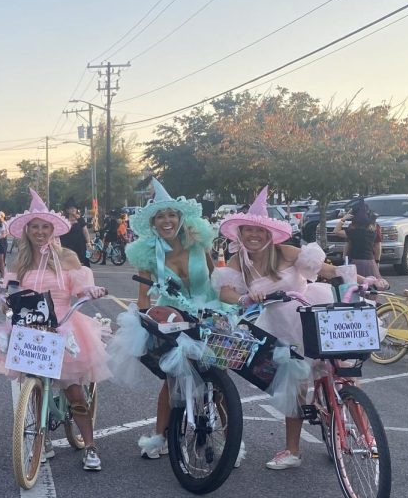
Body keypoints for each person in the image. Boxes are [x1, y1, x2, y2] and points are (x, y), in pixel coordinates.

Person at [214, 187, 383, 470]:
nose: (254, 236)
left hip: (310, 311)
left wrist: (370, 280)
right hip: (279, 326)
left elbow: (329, 271)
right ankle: (292, 450)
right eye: (248, 231)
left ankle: (367, 435)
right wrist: (244, 297)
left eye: (259, 231)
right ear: (240, 234)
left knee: (344, 373)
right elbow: (225, 292)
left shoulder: (287, 252)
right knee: (294, 385)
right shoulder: (238, 262)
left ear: (269, 234)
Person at [107, 179, 222, 459]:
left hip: (209, 312)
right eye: (161, 216)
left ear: (181, 218)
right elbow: (144, 296)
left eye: (172, 214)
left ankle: (230, 441)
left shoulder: (199, 244)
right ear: (154, 222)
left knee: (218, 377)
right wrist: (145, 322)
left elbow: (217, 280)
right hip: (173, 316)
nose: (167, 220)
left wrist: (229, 306)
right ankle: (159, 436)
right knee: (172, 378)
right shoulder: (147, 253)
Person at [3, 191, 110, 470]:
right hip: (30, 327)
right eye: (35, 226)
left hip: (62, 324)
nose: (40, 231)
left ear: (53, 230)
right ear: (27, 230)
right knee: (33, 383)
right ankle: (42, 437)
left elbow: (81, 286)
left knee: (74, 391)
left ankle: (89, 445)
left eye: (45, 226)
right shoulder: (21, 260)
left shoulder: (67, 257)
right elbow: (10, 290)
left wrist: (91, 290)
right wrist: (1, 295)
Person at [337, 199, 383, 279]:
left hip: (354, 260)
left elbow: (347, 243)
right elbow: (377, 246)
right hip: (370, 261)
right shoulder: (375, 228)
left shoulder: (352, 228)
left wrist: (343, 219)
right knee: (371, 284)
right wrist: (377, 261)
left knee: (355, 284)